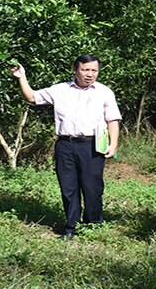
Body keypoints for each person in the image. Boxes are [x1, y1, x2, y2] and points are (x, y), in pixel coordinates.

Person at [11, 55, 121, 240]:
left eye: (94, 70)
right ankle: (72, 227)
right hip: (65, 145)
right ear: (75, 70)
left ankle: (93, 223)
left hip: (93, 144)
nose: (90, 74)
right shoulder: (60, 90)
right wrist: (21, 77)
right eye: (85, 70)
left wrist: (114, 143)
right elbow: (31, 97)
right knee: (68, 187)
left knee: (92, 187)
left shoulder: (104, 92)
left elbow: (113, 119)